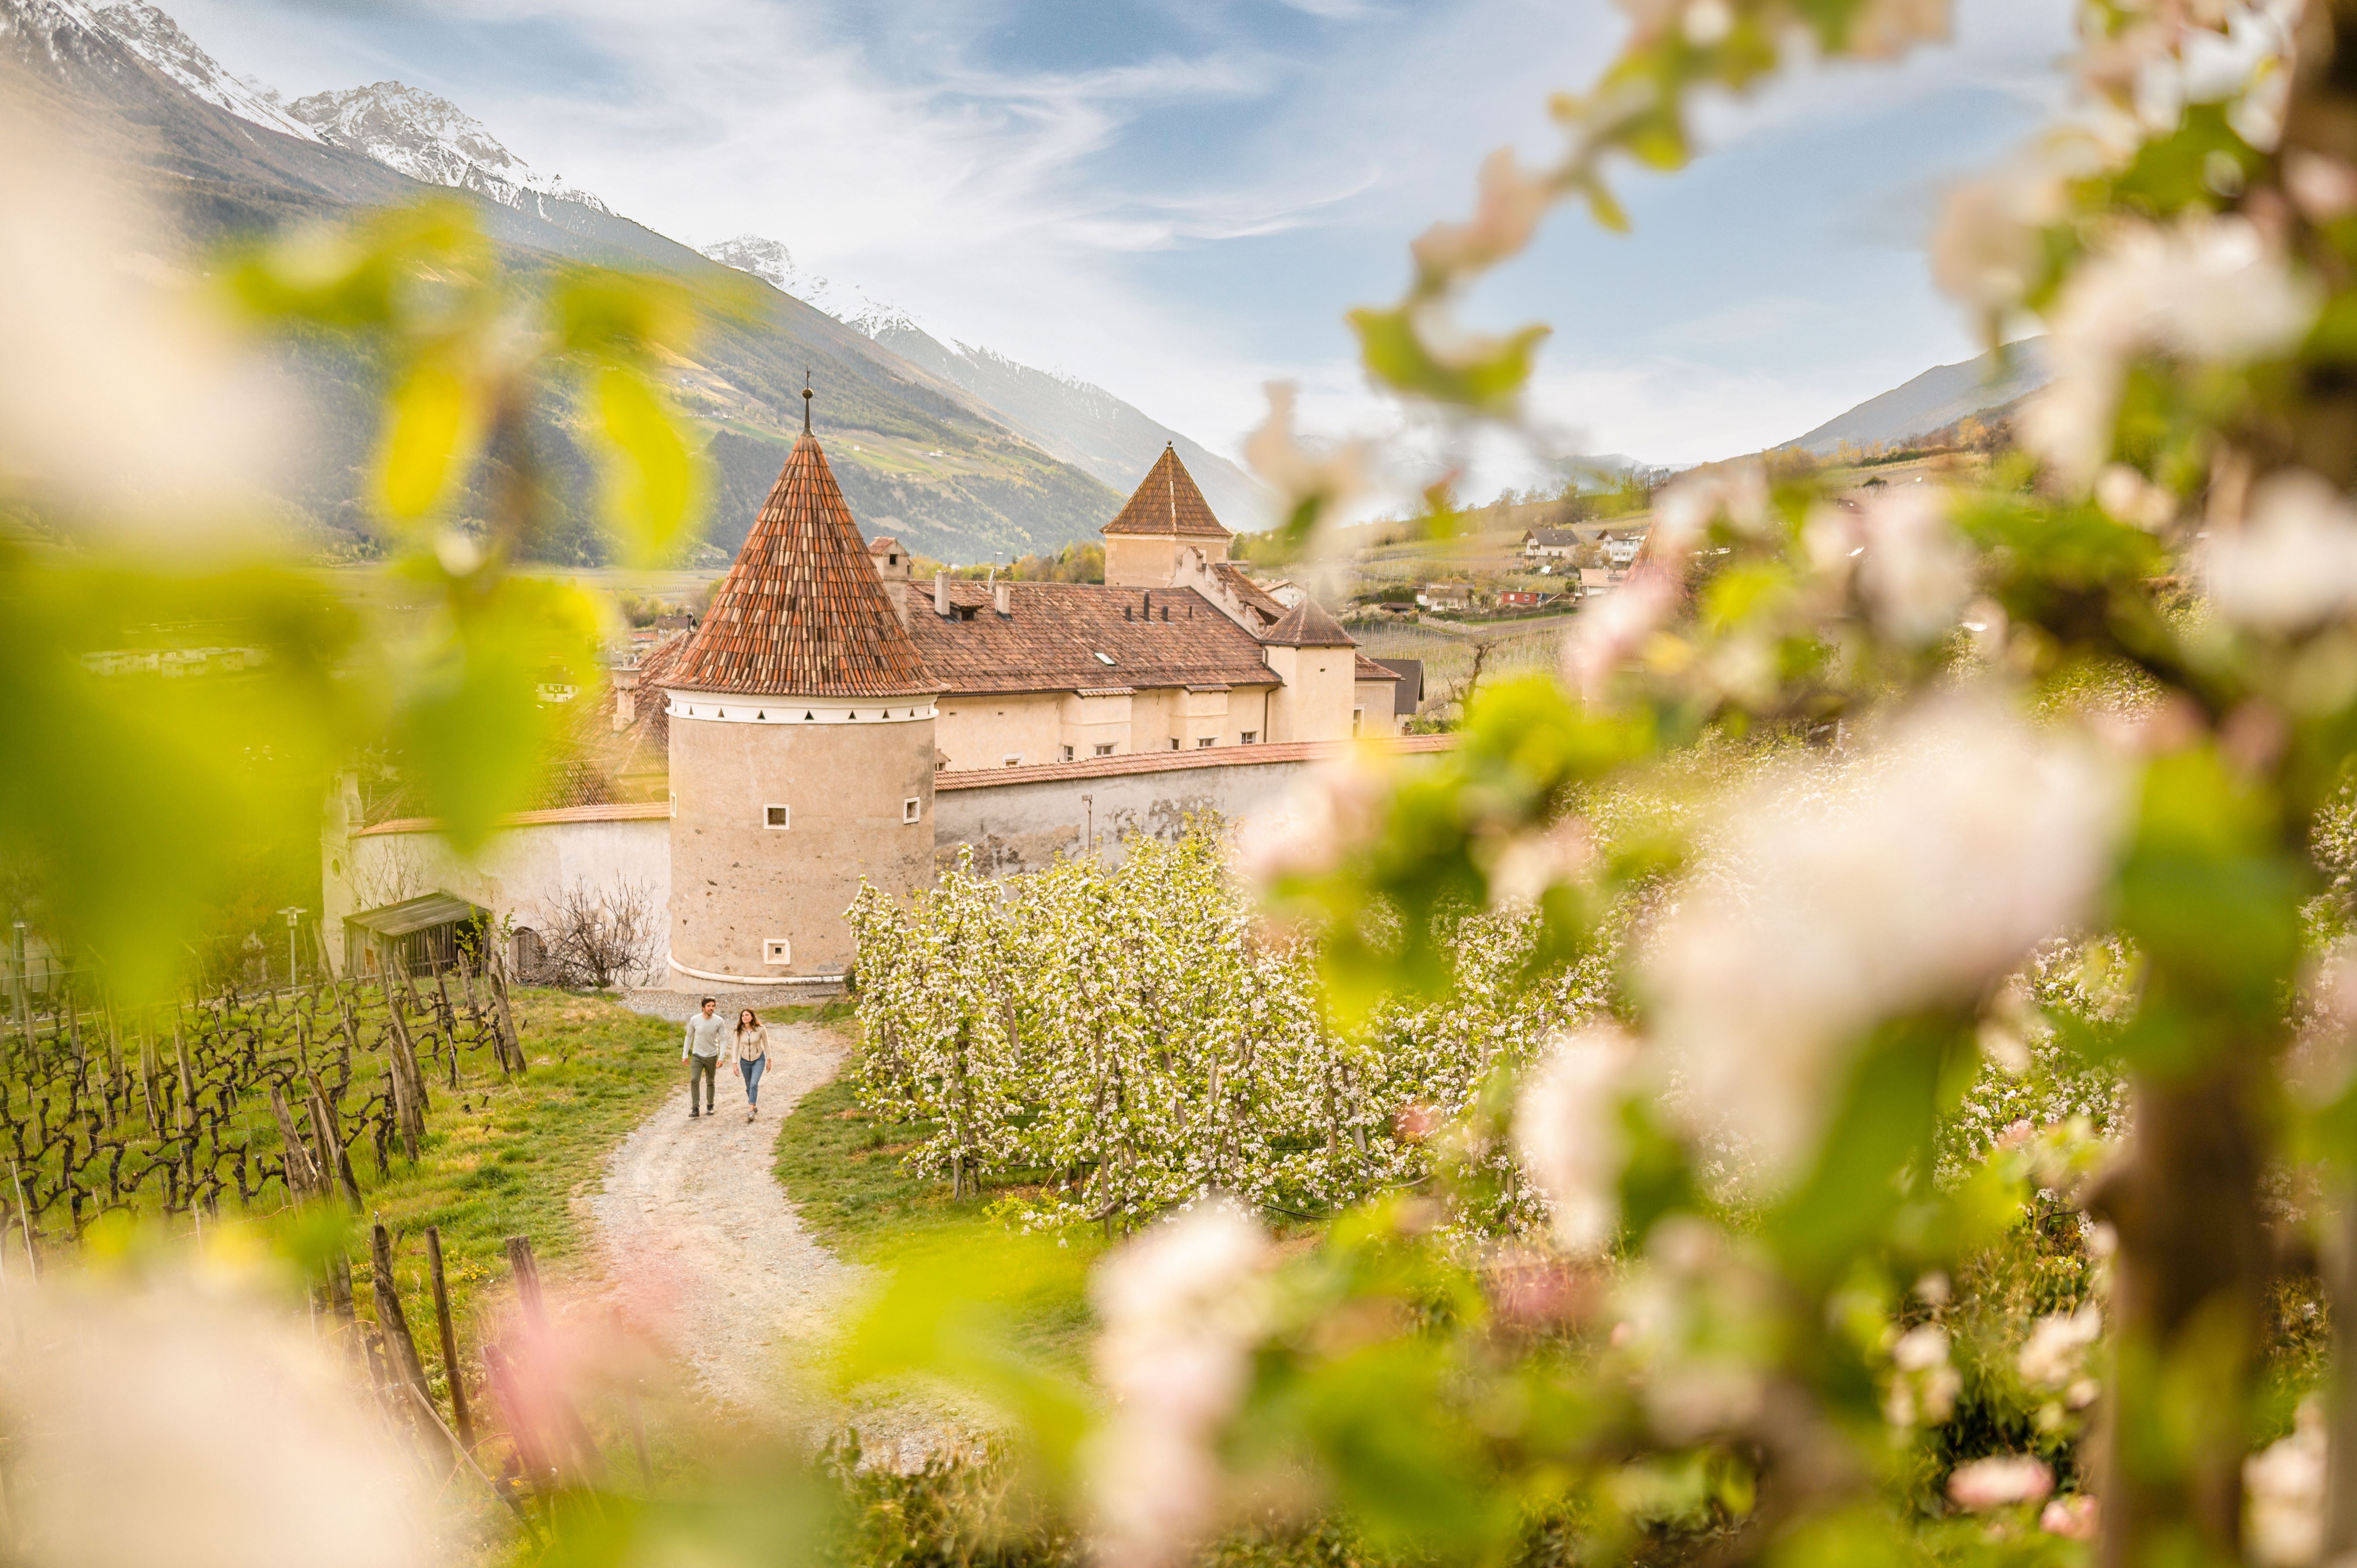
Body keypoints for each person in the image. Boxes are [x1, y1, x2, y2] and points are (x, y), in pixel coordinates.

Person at [682, 997, 726, 1119]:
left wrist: (721, 1057)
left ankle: (710, 1105)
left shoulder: (719, 1021)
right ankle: (695, 1108)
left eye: (713, 1006)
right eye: (709, 1006)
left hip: (712, 1055)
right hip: (697, 1055)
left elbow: (724, 1039)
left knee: (710, 1081)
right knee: (694, 1080)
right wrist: (685, 1055)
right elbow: (689, 1037)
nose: (712, 1008)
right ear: (703, 1008)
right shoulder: (695, 1020)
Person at [734, 1008, 769, 1120]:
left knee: (754, 1083)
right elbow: (735, 1047)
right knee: (749, 1085)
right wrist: (734, 1064)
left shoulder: (761, 1029)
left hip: (759, 1059)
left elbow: (767, 1044)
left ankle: (751, 1111)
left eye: (747, 1015)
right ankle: (753, 1104)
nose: (745, 1017)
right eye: (743, 1016)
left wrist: (769, 1060)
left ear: (752, 1017)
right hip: (744, 1061)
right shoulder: (738, 1031)